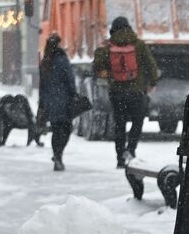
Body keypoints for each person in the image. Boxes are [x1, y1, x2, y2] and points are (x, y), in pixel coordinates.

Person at [93, 16, 160, 168]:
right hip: (137, 92)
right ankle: (131, 150)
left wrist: (108, 74)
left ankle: (120, 158)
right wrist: (153, 82)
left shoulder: (108, 46)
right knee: (137, 121)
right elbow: (151, 65)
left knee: (120, 125)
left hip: (117, 92)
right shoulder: (139, 45)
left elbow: (97, 66)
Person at [37, 33, 78, 172]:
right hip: (64, 101)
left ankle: (56, 155)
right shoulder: (62, 60)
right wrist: (74, 94)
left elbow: (42, 85)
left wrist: (42, 102)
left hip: (50, 102)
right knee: (66, 130)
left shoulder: (45, 62)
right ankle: (59, 155)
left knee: (56, 130)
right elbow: (70, 79)